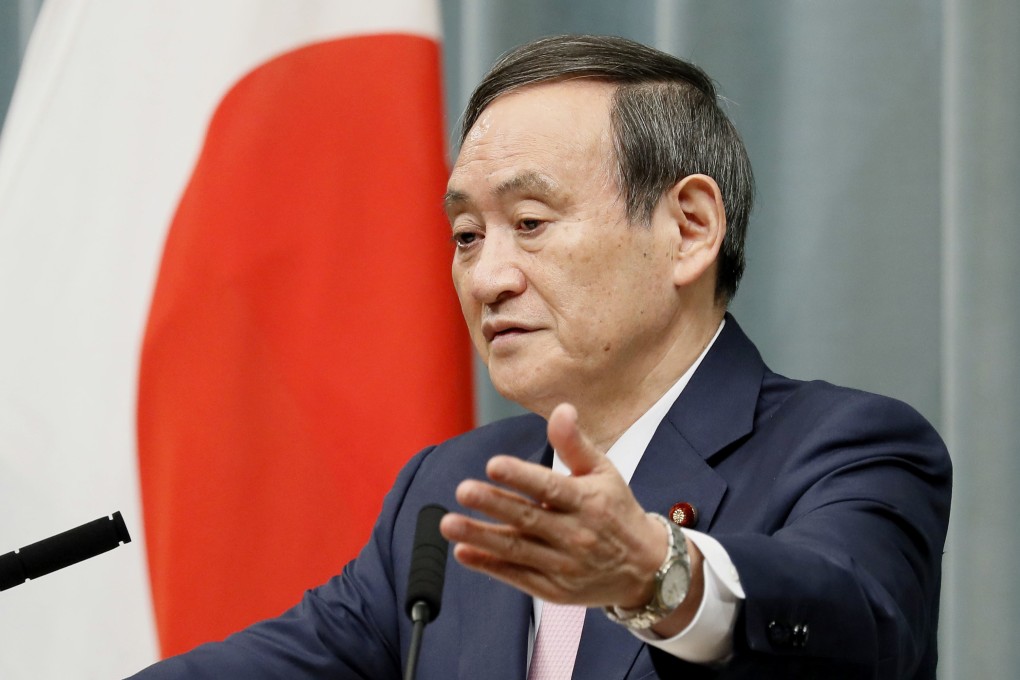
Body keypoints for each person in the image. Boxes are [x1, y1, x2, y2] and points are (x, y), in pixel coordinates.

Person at [129, 34, 951, 679]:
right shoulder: (454, 489)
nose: (486, 278)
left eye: (529, 223)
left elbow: (859, 623)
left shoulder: (852, 448)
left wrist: (659, 577)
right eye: (465, 236)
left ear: (690, 228)